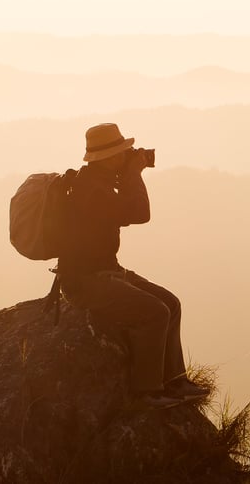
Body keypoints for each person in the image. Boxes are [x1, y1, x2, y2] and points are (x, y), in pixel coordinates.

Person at [56, 122, 208, 408]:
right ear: (109, 157)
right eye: (123, 152)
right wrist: (134, 173)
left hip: (105, 271)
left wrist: (127, 174)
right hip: (85, 283)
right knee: (154, 313)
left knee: (170, 303)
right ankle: (147, 392)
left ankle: (175, 380)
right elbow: (139, 213)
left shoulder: (96, 179)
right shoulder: (91, 190)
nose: (127, 156)